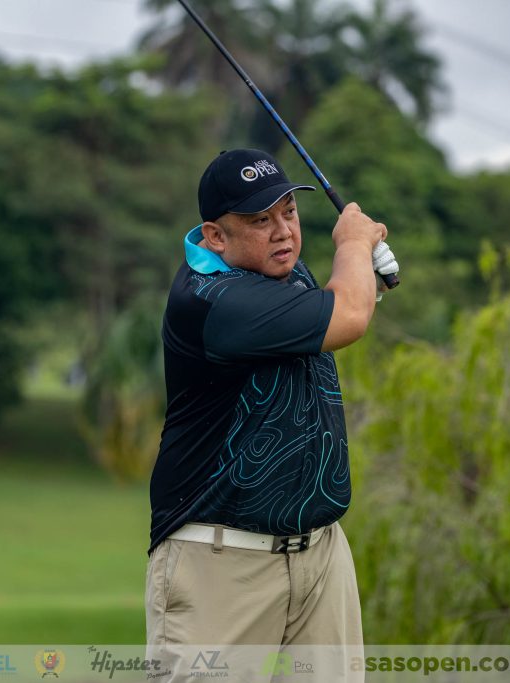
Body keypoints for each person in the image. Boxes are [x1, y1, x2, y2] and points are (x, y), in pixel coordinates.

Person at [146, 149, 396, 669]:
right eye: (260, 220)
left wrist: (360, 271)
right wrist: (354, 243)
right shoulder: (213, 301)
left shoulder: (278, 269)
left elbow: (339, 304)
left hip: (321, 553)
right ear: (216, 236)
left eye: (289, 212)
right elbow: (349, 315)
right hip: (221, 561)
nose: (283, 232)